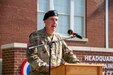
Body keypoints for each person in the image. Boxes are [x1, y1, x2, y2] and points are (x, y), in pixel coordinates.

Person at [26, 10, 79, 75]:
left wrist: (77, 64)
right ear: (45, 21)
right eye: (52, 19)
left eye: (56, 20)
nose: (54, 22)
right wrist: (47, 67)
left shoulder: (59, 37)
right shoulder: (35, 36)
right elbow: (31, 57)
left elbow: (67, 53)